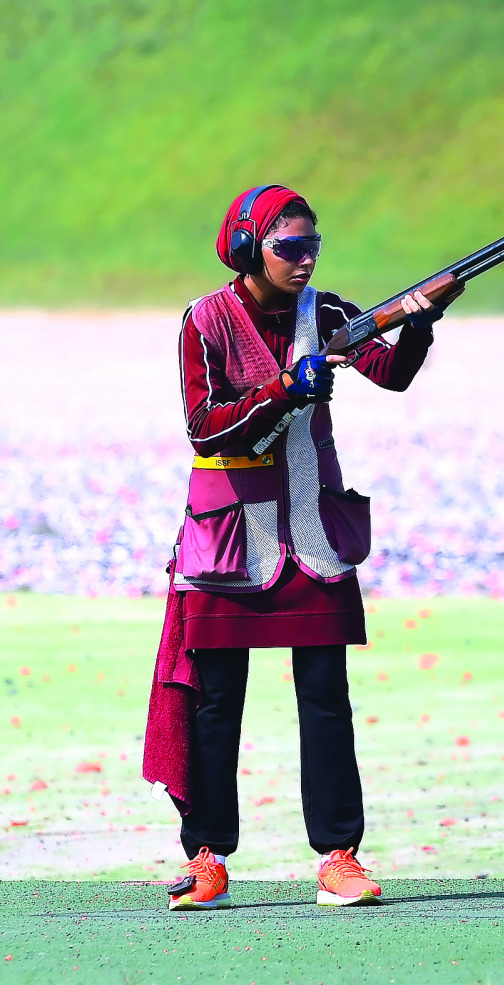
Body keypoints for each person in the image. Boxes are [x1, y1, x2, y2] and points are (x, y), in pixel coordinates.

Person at [145, 184, 443, 911]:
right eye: (288, 247)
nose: (304, 259)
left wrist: (422, 323)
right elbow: (205, 428)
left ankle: (339, 856)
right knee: (215, 705)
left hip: (311, 531)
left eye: (312, 246)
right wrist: (284, 388)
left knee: (325, 696)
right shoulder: (204, 321)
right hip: (227, 537)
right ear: (249, 247)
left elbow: (391, 375)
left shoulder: (332, 313)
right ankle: (207, 856)